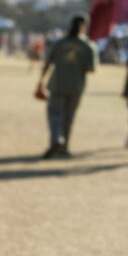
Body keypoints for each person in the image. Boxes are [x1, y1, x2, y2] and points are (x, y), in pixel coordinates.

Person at [36, 13, 98, 159]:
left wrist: (41, 81)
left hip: (58, 84)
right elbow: (92, 69)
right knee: (69, 117)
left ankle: (57, 140)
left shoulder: (60, 43)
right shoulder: (88, 46)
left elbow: (47, 63)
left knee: (55, 114)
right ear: (85, 27)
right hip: (76, 86)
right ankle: (64, 148)